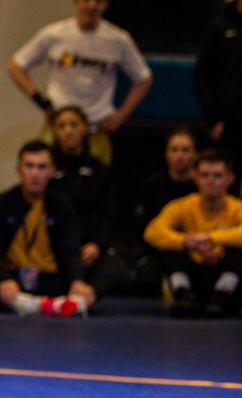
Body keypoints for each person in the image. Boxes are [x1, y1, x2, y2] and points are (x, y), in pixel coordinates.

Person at [8, 0, 152, 165]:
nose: (92, 6)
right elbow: (16, 65)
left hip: (96, 128)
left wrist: (122, 114)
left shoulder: (118, 40)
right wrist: (41, 100)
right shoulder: (55, 34)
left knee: (96, 186)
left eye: (98, 0)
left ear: (106, 5)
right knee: (44, 176)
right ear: (76, 1)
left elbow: (143, 78)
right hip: (58, 126)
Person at [0, 140, 94, 317]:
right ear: (19, 169)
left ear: (51, 171)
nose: (35, 173)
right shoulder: (1, 204)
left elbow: (70, 249)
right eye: (29, 166)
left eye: (41, 167)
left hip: (49, 278)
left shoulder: (62, 205)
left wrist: (77, 281)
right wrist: (4, 279)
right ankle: (51, 304)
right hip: (13, 278)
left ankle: (24, 304)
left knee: (103, 269)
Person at [144, 148, 242, 318]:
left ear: (230, 179)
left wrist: (211, 238)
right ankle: (183, 295)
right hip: (194, 275)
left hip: (225, 277)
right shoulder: (182, 206)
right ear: (195, 178)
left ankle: (220, 298)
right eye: (205, 175)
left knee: (237, 250)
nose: (210, 181)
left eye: (217, 175)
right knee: (170, 245)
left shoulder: (236, 208)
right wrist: (187, 241)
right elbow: (152, 231)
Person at [47, 106, 130, 301]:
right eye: (61, 126)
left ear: (85, 128)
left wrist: (96, 245)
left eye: (74, 125)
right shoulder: (46, 168)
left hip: (88, 246)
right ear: (54, 131)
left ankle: (84, 296)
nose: (68, 130)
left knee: (121, 276)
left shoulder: (99, 169)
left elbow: (107, 215)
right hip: (56, 246)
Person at [132, 127, 199, 295]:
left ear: (196, 154)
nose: (179, 156)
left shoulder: (203, 186)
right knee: (145, 284)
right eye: (174, 150)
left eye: (185, 150)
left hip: (196, 250)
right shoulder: (153, 184)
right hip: (159, 250)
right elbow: (145, 229)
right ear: (166, 153)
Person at [194, 0, 242, 195]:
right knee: (226, 184)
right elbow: (203, 76)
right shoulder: (219, 28)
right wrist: (213, 120)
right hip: (228, 125)